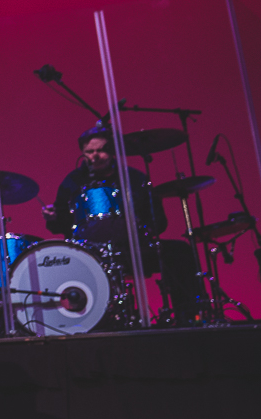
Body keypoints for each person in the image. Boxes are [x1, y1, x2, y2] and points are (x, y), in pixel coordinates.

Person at [43, 125, 204, 325]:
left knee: (179, 252)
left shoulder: (134, 178)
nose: (96, 156)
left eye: (101, 150)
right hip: (91, 253)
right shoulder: (73, 182)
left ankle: (188, 317)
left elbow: (159, 221)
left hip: (133, 248)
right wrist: (52, 218)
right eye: (90, 152)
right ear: (83, 154)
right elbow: (61, 226)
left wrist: (141, 227)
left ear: (113, 151)